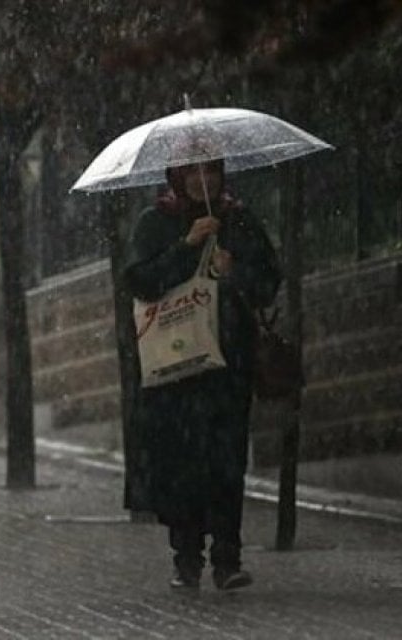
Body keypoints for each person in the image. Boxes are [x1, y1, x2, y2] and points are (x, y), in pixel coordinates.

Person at [123, 158, 281, 591]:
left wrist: (237, 272)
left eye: (209, 171)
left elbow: (268, 281)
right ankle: (186, 555)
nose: (201, 180)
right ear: (176, 176)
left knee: (227, 461)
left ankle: (228, 557)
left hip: (227, 364)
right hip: (176, 369)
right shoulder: (156, 222)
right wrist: (186, 247)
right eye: (191, 172)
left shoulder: (238, 219)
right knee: (182, 463)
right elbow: (140, 281)